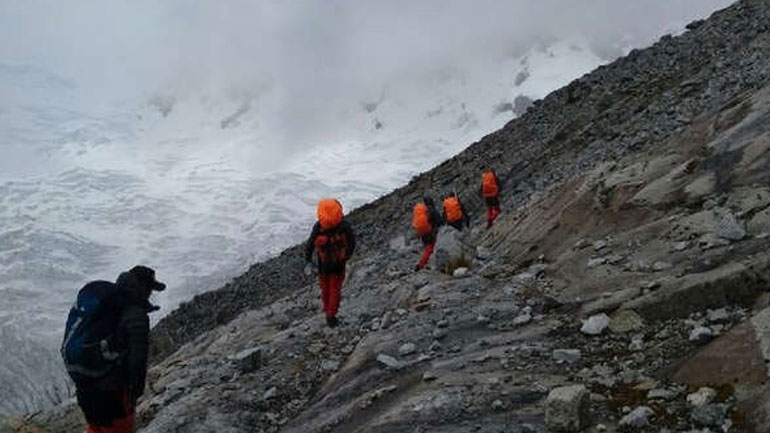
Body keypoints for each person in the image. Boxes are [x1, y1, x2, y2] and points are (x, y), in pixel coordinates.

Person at [62, 265, 166, 433]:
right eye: (150, 288)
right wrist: (135, 393)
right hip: (112, 394)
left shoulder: (107, 302)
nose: (150, 294)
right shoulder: (135, 315)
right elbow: (137, 359)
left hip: (84, 386)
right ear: (143, 288)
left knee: (95, 428)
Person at [304, 199, 356, 328]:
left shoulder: (318, 226)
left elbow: (310, 244)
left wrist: (308, 260)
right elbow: (352, 242)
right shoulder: (343, 225)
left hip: (323, 264)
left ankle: (327, 309)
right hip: (339, 263)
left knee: (325, 288)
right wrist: (347, 256)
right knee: (335, 289)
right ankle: (331, 315)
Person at [412, 195, 443, 271]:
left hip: (422, 233)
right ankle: (421, 265)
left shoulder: (423, 211)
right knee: (430, 249)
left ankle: (423, 263)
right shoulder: (432, 210)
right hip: (430, 232)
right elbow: (439, 221)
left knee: (428, 248)